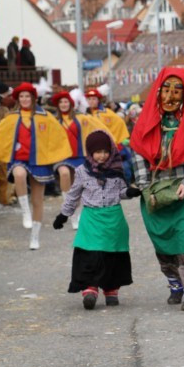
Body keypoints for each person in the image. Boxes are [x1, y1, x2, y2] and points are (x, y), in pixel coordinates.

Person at [130, 68, 184, 311]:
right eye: (166, 90)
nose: (170, 97)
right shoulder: (147, 122)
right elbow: (138, 151)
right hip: (157, 193)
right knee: (164, 241)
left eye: (177, 91)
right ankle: (175, 283)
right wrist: (146, 186)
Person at [53, 129, 139, 309]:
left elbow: (121, 192)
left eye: (105, 151)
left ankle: (111, 289)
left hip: (113, 218)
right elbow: (73, 195)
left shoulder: (116, 170)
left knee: (112, 255)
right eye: (98, 152)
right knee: (90, 255)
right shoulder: (82, 172)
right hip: (91, 218)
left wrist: (129, 192)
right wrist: (64, 215)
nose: (102, 156)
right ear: (90, 152)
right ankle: (90, 289)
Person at [0, 81, 71, 249]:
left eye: (27, 96)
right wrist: (0, 149)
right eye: (21, 96)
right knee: (19, 174)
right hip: (19, 160)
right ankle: (25, 211)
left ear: (33, 98)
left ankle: (35, 237)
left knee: (38, 201)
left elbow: (58, 136)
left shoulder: (45, 116)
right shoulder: (11, 118)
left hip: (39, 161)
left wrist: (55, 156)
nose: (24, 99)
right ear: (18, 98)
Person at [51, 91, 100, 228]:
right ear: (58, 105)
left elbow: (94, 128)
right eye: (61, 102)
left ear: (71, 104)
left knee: (77, 185)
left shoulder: (80, 118)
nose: (63, 104)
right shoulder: (54, 120)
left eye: (66, 101)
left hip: (78, 155)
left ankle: (76, 213)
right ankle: (69, 212)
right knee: (64, 174)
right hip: (61, 156)